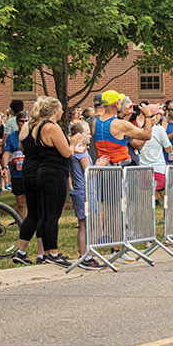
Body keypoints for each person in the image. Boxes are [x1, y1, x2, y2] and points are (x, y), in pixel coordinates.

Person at [13, 96, 73, 267]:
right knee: (47, 213)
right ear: (53, 110)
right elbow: (66, 152)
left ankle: (25, 251)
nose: (62, 111)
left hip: (28, 168)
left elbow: (23, 148)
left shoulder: (27, 126)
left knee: (36, 214)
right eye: (60, 108)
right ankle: (47, 252)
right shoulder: (48, 127)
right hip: (47, 169)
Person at [69, 120, 102, 269]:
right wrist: (100, 166)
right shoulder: (80, 151)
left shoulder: (80, 150)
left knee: (86, 224)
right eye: (87, 133)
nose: (90, 136)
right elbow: (89, 172)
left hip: (84, 190)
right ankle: (85, 256)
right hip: (84, 191)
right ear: (79, 135)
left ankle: (87, 254)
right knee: (85, 224)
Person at [91, 90, 153, 165]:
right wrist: (148, 116)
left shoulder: (95, 122)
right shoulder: (121, 124)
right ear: (116, 104)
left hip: (104, 168)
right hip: (120, 168)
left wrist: (123, 115)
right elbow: (147, 135)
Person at [2, 111, 30, 219]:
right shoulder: (12, 137)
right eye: (22, 121)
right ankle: (23, 223)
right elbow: (6, 153)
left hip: (30, 172)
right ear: (17, 122)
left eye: (26, 121)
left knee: (31, 200)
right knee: (20, 201)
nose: (24, 123)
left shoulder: (33, 135)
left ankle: (32, 224)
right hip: (17, 174)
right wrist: (4, 167)